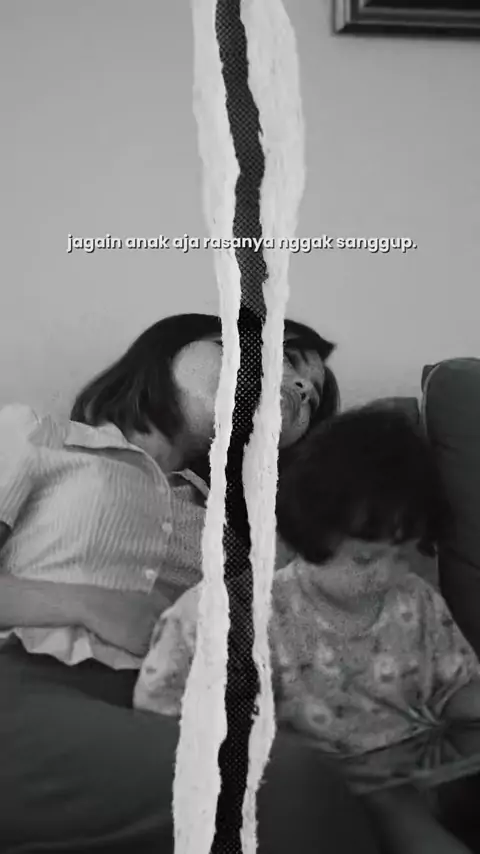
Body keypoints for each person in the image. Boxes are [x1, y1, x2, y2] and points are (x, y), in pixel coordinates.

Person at [0, 313, 380, 854]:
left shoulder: (245, 532)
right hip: (26, 688)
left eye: (309, 397)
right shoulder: (40, 436)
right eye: (278, 356)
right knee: (282, 784)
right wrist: (87, 602)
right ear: (169, 348)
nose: (297, 387)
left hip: (172, 717)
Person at [135, 404, 480, 854]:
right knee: (394, 807)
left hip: (430, 763)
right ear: (309, 532)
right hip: (337, 784)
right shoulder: (244, 614)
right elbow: (164, 716)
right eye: (365, 558)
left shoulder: (415, 600)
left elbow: (458, 687)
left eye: (403, 553)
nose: (387, 575)